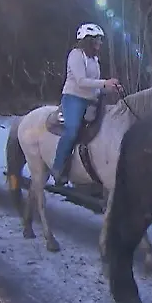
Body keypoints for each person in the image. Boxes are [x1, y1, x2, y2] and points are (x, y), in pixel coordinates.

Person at [51, 23, 120, 185]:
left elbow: (94, 84)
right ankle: (57, 166)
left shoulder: (94, 59)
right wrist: (104, 83)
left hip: (91, 99)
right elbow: (81, 81)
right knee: (72, 129)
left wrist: (109, 88)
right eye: (97, 39)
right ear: (88, 40)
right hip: (73, 97)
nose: (100, 43)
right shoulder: (75, 55)